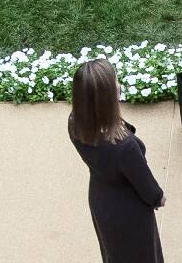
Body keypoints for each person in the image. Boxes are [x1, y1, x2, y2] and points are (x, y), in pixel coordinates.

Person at [69, 58, 166, 263]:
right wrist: (159, 198)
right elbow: (146, 186)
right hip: (130, 213)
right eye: (114, 84)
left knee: (114, 253)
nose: (118, 85)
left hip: (101, 201)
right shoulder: (124, 146)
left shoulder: (75, 123)